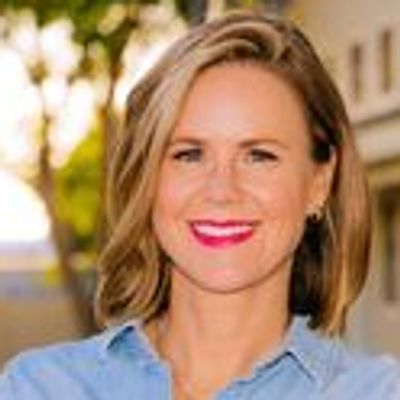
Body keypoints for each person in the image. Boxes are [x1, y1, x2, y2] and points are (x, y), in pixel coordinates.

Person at [1, 9, 399, 400]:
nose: (221, 190)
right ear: (147, 179)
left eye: (259, 155)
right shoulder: (39, 388)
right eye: (189, 154)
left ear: (319, 182)